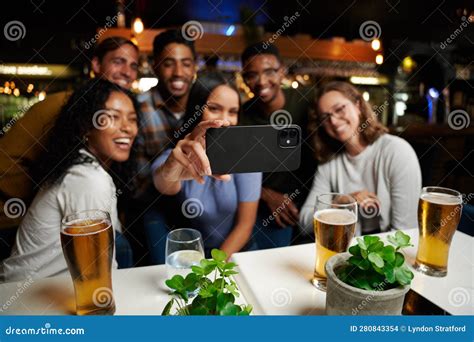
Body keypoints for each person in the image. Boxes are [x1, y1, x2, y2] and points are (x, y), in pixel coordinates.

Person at [0, 80, 139, 282]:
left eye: (132, 119)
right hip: (26, 298)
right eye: (113, 117)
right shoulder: (88, 179)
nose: (127, 128)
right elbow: (99, 274)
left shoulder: (86, 169)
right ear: (85, 127)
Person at [0, 37, 139, 209]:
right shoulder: (57, 105)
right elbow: (5, 160)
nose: (127, 72)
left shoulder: (128, 111)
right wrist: (43, 201)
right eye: (118, 62)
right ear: (96, 65)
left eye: (134, 66)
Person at [151, 73, 261, 259]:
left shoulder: (247, 158)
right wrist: (173, 168)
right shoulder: (178, 154)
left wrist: (211, 269)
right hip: (191, 255)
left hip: (235, 255)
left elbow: (245, 226)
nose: (225, 121)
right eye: (214, 109)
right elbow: (164, 182)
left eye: (233, 112)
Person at [300, 81, 422, 235]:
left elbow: (405, 232)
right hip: (345, 250)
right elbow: (304, 224)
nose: (333, 121)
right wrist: (341, 202)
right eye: (325, 117)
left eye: (339, 109)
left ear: (358, 106)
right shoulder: (329, 163)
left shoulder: (396, 151)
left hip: (388, 251)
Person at [128, 29, 197, 264]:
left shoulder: (206, 105)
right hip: (154, 208)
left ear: (194, 68)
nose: (178, 72)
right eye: (169, 64)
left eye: (186, 63)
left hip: (202, 208)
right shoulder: (138, 108)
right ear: (155, 66)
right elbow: (136, 186)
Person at [240, 42, 317, 249]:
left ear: (282, 72)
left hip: (314, 201)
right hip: (268, 211)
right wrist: (266, 194)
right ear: (245, 79)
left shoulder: (308, 99)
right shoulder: (241, 117)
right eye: (252, 75)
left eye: (269, 72)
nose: (261, 81)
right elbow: (233, 170)